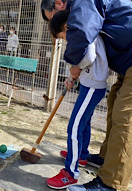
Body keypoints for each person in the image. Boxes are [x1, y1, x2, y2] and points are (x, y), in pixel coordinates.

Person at [41, 0, 132, 191]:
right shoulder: (84, 8)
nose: (56, 25)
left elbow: (83, 36)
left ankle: (110, 185)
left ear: (59, 4)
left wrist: (74, 66)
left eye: (53, 19)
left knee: (127, 118)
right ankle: (105, 159)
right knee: (115, 105)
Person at [45, 15, 109, 189]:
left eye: (62, 37)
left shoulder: (83, 33)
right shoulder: (87, 28)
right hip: (91, 84)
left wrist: (76, 69)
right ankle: (80, 155)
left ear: (66, 27)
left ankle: (70, 174)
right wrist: (72, 76)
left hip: (93, 87)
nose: (64, 40)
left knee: (74, 127)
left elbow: (88, 57)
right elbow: (86, 62)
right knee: (84, 123)